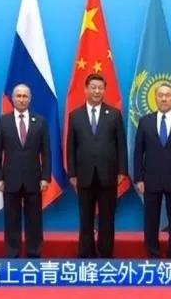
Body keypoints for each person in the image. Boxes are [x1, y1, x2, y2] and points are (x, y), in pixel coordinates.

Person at [66, 73, 128, 258]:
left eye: (100, 88)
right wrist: (72, 173)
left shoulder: (114, 114)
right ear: (86, 89)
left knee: (107, 217)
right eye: (93, 87)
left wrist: (122, 171)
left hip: (108, 175)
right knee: (85, 217)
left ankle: (106, 253)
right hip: (84, 175)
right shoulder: (75, 115)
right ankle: (86, 253)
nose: (97, 91)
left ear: (104, 90)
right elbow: (71, 147)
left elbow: (121, 145)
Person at [133, 83, 171, 258]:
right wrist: (138, 178)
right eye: (160, 95)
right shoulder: (145, 121)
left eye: (167, 95)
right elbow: (138, 152)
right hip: (150, 179)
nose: (164, 99)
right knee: (151, 219)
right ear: (155, 97)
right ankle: (153, 252)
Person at [0, 84, 51, 258]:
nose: (21, 99)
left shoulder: (40, 121)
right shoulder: (3, 121)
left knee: (34, 219)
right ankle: (13, 253)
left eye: (25, 96)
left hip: (34, 179)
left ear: (30, 99)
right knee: (12, 219)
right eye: (18, 96)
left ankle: (34, 252)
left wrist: (45, 177)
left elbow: (46, 152)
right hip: (10, 179)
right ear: (12, 99)